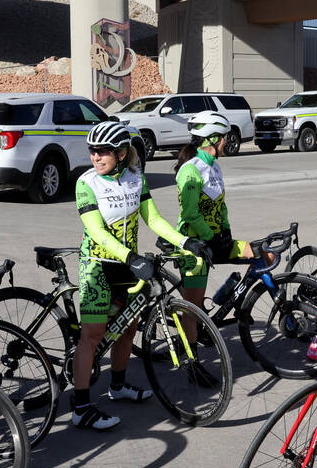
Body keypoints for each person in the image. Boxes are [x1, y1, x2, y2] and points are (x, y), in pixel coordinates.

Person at [71, 121, 203, 430]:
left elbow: (153, 218)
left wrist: (185, 242)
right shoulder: (86, 183)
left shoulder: (136, 179)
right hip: (98, 264)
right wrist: (131, 257)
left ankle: (117, 386)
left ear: (120, 152)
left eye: (102, 152)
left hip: (127, 264)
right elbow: (97, 232)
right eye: (92, 151)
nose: (95, 157)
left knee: (129, 326)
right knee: (92, 334)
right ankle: (80, 406)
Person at [173, 110, 273, 325]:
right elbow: (190, 214)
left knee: (265, 256)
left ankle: (231, 302)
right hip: (195, 245)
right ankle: (190, 354)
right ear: (214, 139)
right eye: (224, 138)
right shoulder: (190, 170)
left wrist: (225, 231)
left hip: (216, 239)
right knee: (193, 311)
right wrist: (211, 236)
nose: (226, 142)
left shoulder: (214, 167)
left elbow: (221, 205)